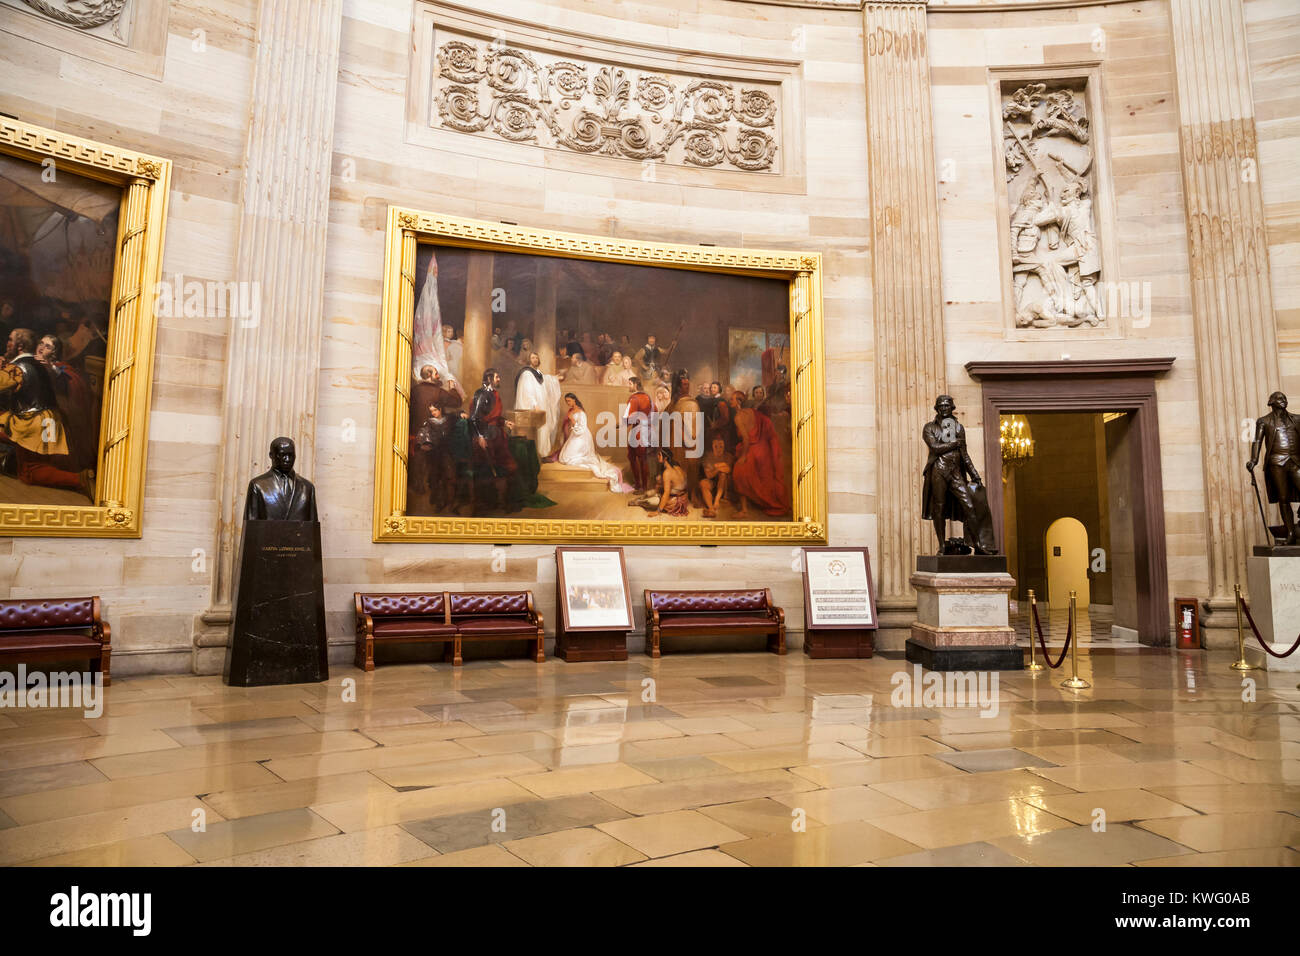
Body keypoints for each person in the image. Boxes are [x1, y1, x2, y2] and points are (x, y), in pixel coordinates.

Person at [0, 328, 93, 500]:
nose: (7, 343)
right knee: (32, 468)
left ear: (19, 346)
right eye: (41, 344)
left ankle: (80, 479)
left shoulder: (20, 367)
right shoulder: (37, 365)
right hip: (47, 422)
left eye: (10, 340)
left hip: (33, 424)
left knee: (30, 472)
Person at [921, 394, 996, 554]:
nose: (944, 408)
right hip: (938, 470)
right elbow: (935, 448)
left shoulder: (958, 427)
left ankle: (978, 545)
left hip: (955, 472)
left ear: (952, 407)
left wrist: (975, 474)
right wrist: (954, 443)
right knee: (938, 509)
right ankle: (941, 545)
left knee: (969, 506)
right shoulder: (929, 427)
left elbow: (964, 454)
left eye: (947, 405)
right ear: (937, 408)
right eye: (941, 406)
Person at [1248, 391, 1300, 545]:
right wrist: (1254, 459)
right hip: (1277, 462)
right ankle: (1290, 533)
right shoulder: (1264, 421)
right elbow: (1257, 441)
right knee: (1283, 498)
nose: (1283, 400)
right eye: (1279, 398)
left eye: (1284, 397)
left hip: (1296, 460)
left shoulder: (1297, 419)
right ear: (1271, 402)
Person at [556, 392, 629, 493]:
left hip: (582, 436)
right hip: (575, 434)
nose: (567, 403)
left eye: (569, 401)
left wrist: (572, 420)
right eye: (566, 401)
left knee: (568, 458)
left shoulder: (581, 412)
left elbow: (582, 428)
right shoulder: (571, 411)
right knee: (564, 457)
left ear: (574, 400)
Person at [468, 368, 517, 512]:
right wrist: (480, 437)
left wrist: (504, 422)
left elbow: (494, 417)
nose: (499, 379)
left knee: (503, 468)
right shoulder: (481, 394)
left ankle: (500, 503)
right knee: (486, 470)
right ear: (489, 379)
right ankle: (484, 505)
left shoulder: (494, 394)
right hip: (486, 436)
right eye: (497, 377)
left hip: (496, 436)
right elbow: (474, 418)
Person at [731, 406, 788, 517]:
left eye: (732, 399)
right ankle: (766, 502)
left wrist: (743, 456)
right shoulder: (752, 412)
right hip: (764, 449)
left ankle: (744, 510)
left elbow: (746, 439)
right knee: (762, 478)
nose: (730, 401)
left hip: (751, 450)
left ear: (738, 402)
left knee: (738, 473)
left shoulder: (738, 417)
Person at [244, 437, 317, 520]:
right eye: (283, 455)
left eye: (291, 455)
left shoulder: (307, 488)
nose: (287, 459)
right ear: (271, 455)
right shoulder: (258, 486)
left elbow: (313, 528)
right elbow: (251, 527)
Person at [513, 351, 563, 458]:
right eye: (532, 358)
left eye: (536, 357)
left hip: (541, 407)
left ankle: (543, 455)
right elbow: (527, 391)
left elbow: (545, 380)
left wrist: (555, 379)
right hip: (534, 408)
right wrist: (534, 404)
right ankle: (537, 455)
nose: (535, 359)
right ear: (528, 360)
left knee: (543, 429)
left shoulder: (537, 372)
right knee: (537, 431)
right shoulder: (526, 374)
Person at [416, 401, 457, 513]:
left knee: (450, 478)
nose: (433, 413)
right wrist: (423, 443)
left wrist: (462, 412)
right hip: (434, 454)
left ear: (440, 409)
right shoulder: (429, 422)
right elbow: (422, 434)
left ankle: (451, 505)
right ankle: (439, 503)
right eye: (431, 411)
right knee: (436, 479)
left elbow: (457, 415)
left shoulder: (449, 419)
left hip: (447, 452)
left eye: (435, 410)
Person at [625, 376, 653, 492]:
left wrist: (623, 423)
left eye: (630, 383)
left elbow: (629, 418)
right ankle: (645, 486)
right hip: (647, 430)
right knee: (643, 459)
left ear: (636, 384)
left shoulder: (634, 399)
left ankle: (638, 485)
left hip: (637, 432)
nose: (628, 386)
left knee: (632, 457)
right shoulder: (648, 397)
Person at [698, 435, 733, 518]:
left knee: (723, 475)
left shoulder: (728, 456)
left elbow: (728, 470)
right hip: (712, 481)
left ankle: (717, 501)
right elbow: (708, 475)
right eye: (716, 446)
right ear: (712, 446)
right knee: (703, 483)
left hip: (725, 485)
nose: (718, 449)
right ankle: (711, 509)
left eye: (721, 446)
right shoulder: (707, 456)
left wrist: (718, 467)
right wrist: (718, 468)